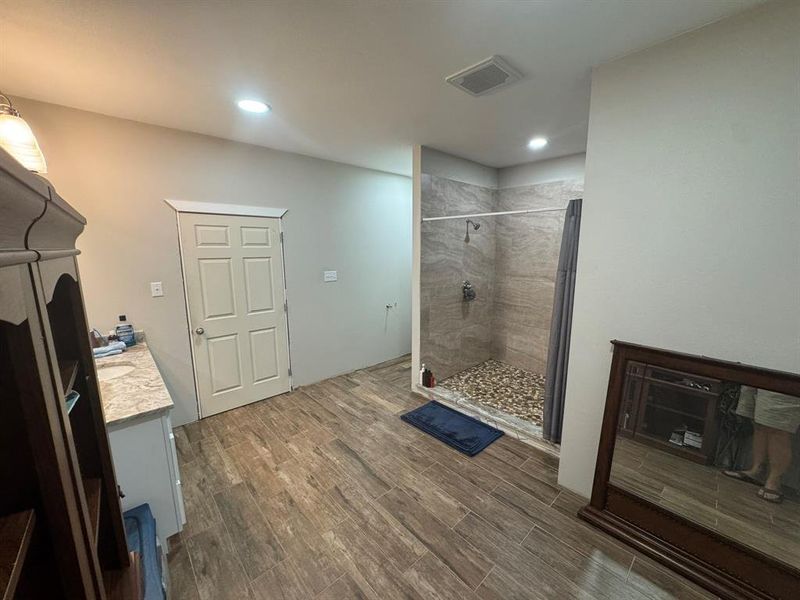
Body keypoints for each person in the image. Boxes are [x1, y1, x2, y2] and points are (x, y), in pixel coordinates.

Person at [723, 386, 800, 503]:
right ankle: (757, 470)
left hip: (787, 372)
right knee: (758, 422)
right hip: (761, 370)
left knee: (778, 426)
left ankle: (774, 481)